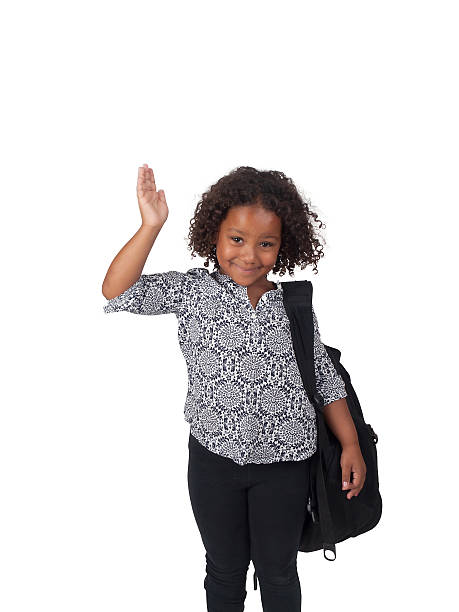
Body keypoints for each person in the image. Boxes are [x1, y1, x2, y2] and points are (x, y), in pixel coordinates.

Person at [102, 163, 367, 612]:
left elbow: (323, 379)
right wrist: (151, 226)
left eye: (266, 243)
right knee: (223, 569)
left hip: (285, 463)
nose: (249, 254)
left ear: (283, 246)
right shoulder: (192, 293)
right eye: (237, 239)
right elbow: (117, 290)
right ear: (215, 235)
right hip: (213, 463)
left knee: (278, 570)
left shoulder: (294, 305)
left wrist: (351, 444)